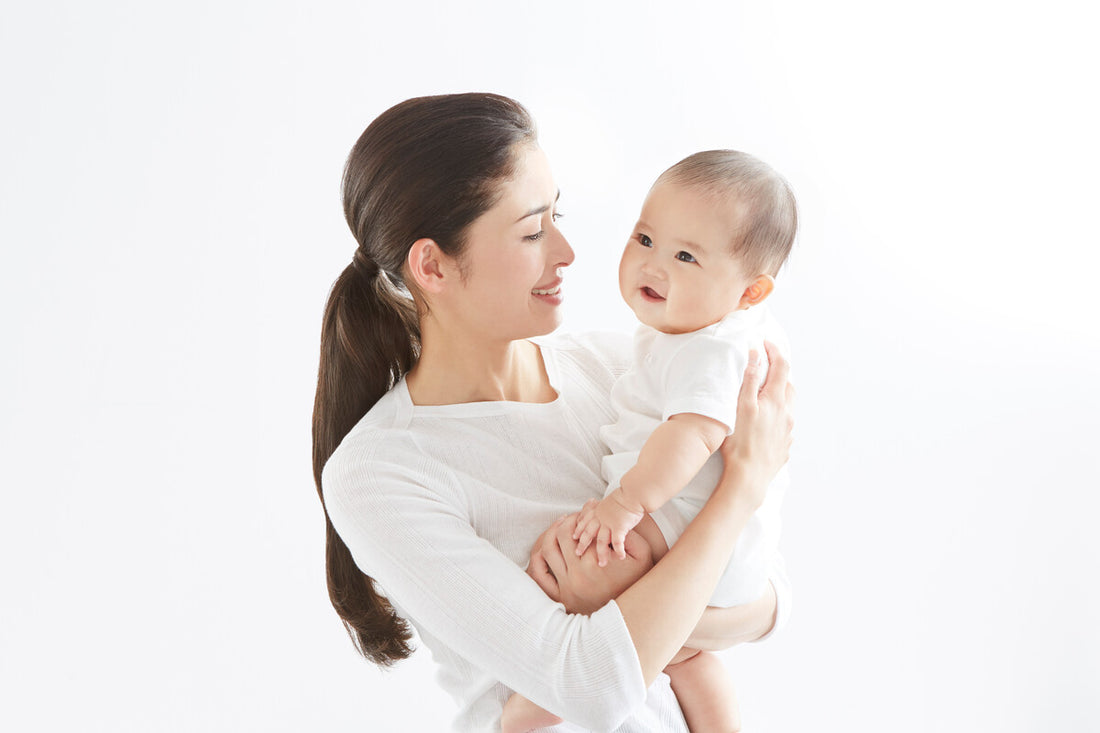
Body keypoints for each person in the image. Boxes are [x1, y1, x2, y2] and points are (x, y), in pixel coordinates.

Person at [312, 93, 795, 732]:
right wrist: (739, 490)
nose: (566, 251)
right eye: (534, 230)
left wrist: (611, 613)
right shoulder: (381, 472)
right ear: (432, 264)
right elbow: (589, 685)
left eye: (557, 216)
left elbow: (765, 600)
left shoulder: (621, 368)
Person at [501, 150, 797, 733]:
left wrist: (626, 503)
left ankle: (532, 712)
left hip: (688, 523)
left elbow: (694, 433)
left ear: (751, 292)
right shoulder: (697, 335)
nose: (653, 266)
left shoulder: (712, 350)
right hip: (728, 548)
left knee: (585, 572)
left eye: (686, 256)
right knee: (683, 654)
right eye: (644, 239)